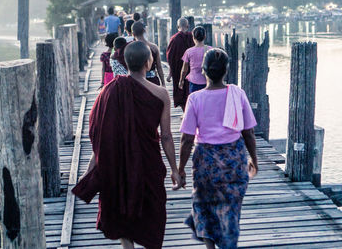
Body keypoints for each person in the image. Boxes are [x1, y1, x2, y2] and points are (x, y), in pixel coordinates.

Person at [72, 41, 183, 249]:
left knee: (122, 203)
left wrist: (90, 168)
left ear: (125, 61)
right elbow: (166, 136)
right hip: (148, 162)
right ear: (148, 62)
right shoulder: (160, 93)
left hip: (118, 162)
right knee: (154, 208)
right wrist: (175, 170)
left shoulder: (108, 90)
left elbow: (99, 133)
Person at [178, 48, 259, 249]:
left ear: (203, 71)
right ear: (226, 70)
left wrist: (180, 169)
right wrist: (254, 160)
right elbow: (248, 132)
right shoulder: (237, 93)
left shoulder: (195, 99)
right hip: (234, 158)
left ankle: (209, 247)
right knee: (230, 206)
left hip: (205, 159)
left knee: (204, 205)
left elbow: (187, 139)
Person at [166, 18, 194, 111]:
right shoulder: (193, 37)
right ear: (188, 26)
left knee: (181, 94)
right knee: (190, 92)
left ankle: (185, 111)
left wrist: (170, 73)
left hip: (178, 70)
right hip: (192, 70)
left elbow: (170, 57)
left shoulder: (174, 39)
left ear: (177, 26)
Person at [132, 21, 165, 86]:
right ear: (145, 31)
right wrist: (163, 84)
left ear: (133, 34)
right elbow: (159, 67)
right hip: (152, 80)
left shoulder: (131, 48)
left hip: (137, 82)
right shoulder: (154, 47)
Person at [179, 26, 211, 93]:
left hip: (194, 82)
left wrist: (181, 80)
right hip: (208, 82)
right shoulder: (210, 50)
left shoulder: (189, 51)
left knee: (195, 101)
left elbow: (184, 69)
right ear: (204, 37)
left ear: (193, 37)